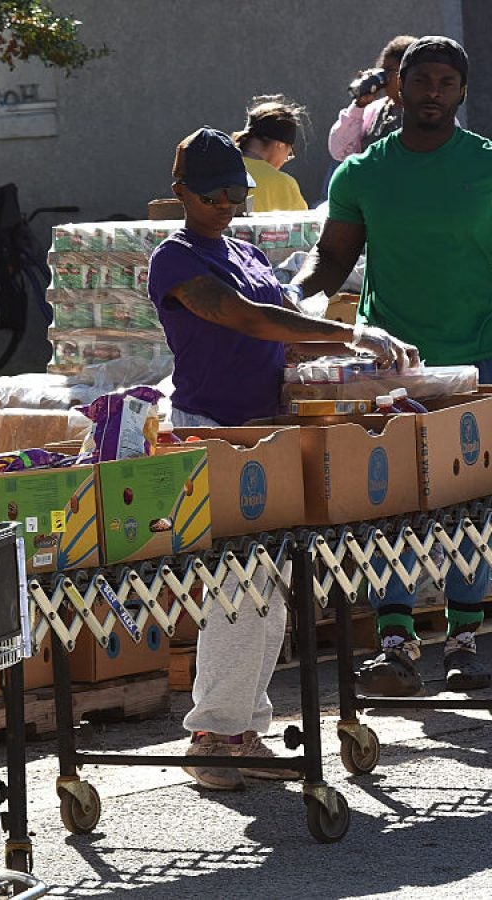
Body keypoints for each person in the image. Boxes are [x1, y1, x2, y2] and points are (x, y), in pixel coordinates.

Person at [148, 127, 418, 790]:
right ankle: (213, 736)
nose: (224, 204)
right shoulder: (174, 258)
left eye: (234, 193)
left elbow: (282, 337)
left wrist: (361, 360)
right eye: (210, 194)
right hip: (212, 432)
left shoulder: (245, 253)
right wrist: (350, 332)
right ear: (180, 192)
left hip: (265, 430)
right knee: (237, 586)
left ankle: (241, 729)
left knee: (266, 589)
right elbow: (244, 318)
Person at [293, 35, 492, 696]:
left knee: (473, 502)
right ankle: (396, 645)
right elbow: (331, 259)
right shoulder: (361, 174)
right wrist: (288, 301)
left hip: (479, 353)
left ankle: (465, 642)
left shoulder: (486, 165)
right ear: (398, 87)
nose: (432, 93)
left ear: (461, 92)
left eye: (446, 82)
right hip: (392, 364)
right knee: (389, 497)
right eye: (421, 80)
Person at [328, 35, 416, 161]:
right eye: (382, 70)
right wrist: (359, 106)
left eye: (389, 71)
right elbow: (340, 151)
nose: (384, 78)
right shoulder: (374, 110)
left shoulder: (427, 112)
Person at [232, 95, 307, 212]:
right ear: (280, 144)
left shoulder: (220, 169)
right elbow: (303, 223)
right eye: (289, 153)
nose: (285, 160)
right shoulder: (284, 184)